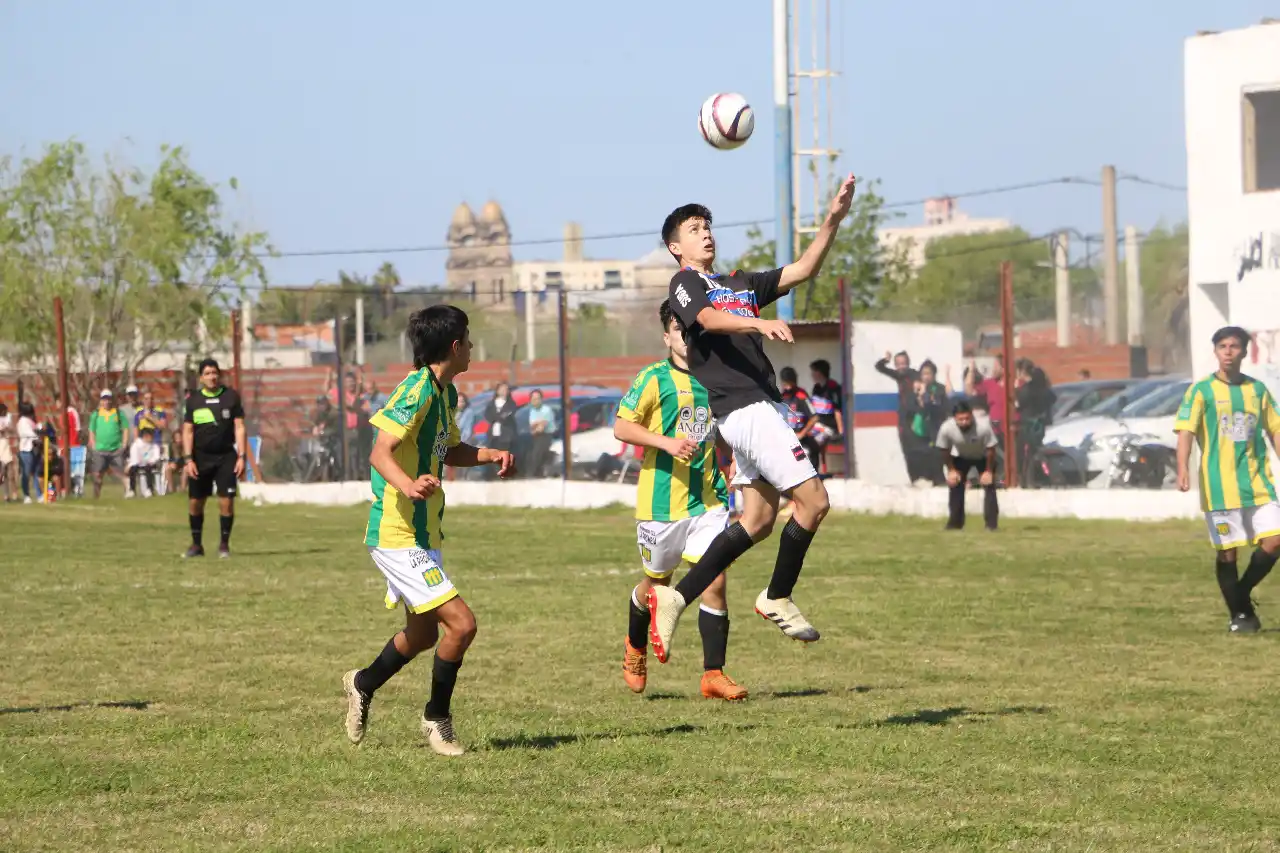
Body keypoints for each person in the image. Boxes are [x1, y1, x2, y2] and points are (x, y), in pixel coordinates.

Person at [648, 174, 857, 663]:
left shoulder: (739, 284)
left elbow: (803, 269)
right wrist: (758, 321)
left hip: (762, 407)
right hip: (744, 408)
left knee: (758, 520)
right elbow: (707, 320)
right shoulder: (685, 284)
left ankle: (676, 597)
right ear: (676, 247)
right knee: (814, 501)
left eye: (707, 226)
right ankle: (777, 595)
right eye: (694, 229)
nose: (706, 233)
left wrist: (832, 220)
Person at [342, 305, 516, 757]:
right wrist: (408, 484)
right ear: (455, 346)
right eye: (469, 340)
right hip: (397, 533)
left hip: (423, 535)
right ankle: (437, 719)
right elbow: (380, 451)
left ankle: (362, 683)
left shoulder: (445, 393)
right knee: (462, 624)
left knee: (421, 636)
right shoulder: (417, 389)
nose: (473, 347)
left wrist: (490, 454)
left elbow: (448, 450)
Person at [615, 300, 747, 701]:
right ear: (667, 337)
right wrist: (666, 442)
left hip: (708, 498)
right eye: (679, 330)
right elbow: (622, 427)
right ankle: (635, 646)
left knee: (715, 578)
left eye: (693, 329)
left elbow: (720, 428)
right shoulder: (653, 378)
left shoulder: (715, 378)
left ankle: (713, 674)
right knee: (656, 584)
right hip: (661, 503)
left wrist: (730, 460)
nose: (687, 337)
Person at [1175, 326, 1280, 634]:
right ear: (1216, 351)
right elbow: (1186, 431)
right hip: (1219, 486)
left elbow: (1275, 428)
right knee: (1228, 551)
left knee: (1275, 540)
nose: (1229, 351)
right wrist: (1182, 467)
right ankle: (1241, 615)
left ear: (1245, 351)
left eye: (1234, 346)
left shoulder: (1257, 390)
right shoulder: (1202, 391)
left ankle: (1240, 593)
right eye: (1223, 346)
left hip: (1257, 481)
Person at [182, 359, 246, 559]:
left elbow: (240, 427)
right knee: (195, 502)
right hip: (200, 458)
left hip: (226, 456)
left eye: (215, 373)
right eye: (208, 373)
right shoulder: (193, 400)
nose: (212, 377)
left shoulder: (231, 397)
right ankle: (196, 545)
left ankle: (224, 545)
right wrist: (188, 459)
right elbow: (187, 431)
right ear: (201, 378)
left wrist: (242, 456)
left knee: (226, 501)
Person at [936, 402, 999, 531]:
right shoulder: (946, 428)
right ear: (954, 418)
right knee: (955, 485)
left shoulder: (983, 426)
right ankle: (955, 524)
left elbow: (991, 448)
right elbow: (944, 449)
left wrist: (988, 471)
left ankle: (991, 525)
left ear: (972, 416)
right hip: (961, 456)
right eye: (960, 419)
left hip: (983, 457)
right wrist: (951, 470)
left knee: (989, 486)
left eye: (967, 418)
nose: (964, 422)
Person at [875, 350, 922, 480]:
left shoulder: (915, 375)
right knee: (906, 448)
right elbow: (879, 367)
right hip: (903, 418)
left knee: (918, 447)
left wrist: (920, 384)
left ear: (908, 363)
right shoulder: (899, 376)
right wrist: (886, 360)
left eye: (904, 363)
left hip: (916, 417)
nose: (901, 367)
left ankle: (922, 475)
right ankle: (914, 478)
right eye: (898, 364)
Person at [89, 390, 129, 499]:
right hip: (100, 449)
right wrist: (93, 443)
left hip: (116, 449)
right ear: (101, 401)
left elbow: (125, 427)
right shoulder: (96, 414)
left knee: (121, 472)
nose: (106, 402)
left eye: (108, 399)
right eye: (104, 399)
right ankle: (96, 496)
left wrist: (124, 443)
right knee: (98, 474)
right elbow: (92, 430)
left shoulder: (118, 413)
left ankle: (128, 493)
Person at [778, 367, 820, 471]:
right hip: (786, 439)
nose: (787, 387)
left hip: (801, 439)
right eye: (785, 383)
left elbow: (814, 417)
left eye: (789, 383)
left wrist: (802, 434)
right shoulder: (780, 397)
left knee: (805, 458)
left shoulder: (801, 396)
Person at [809, 359, 844, 474]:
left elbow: (838, 411)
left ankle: (817, 473)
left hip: (829, 427)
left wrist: (841, 432)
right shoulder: (816, 388)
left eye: (813, 372)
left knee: (813, 444)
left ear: (819, 373)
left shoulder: (833, 388)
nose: (811, 375)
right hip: (817, 425)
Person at [525, 390, 556, 478]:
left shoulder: (546, 410)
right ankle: (537, 473)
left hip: (546, 435)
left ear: (541, 399)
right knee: (531, 454)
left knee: (537, 453)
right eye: (534, 399)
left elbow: (541, 427)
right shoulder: (532, 410)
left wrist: (536, 427)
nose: (536, 401)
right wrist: (537, 424)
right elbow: (532, 424)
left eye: (538, 399)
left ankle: (531, 474)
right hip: (536, 435)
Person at [127, 426, 162, 498]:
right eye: (150, 436)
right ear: (145, 436)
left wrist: (151, 461)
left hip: (150, 464)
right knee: (132, 470)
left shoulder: (154, 446)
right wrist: (131, 465)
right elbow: (134, 457)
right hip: (139, 464)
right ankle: (132, 490)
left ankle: (149, 489)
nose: (152, 438)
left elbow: (156, 457)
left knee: (148, 468)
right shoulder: (136, 445)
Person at [17, 402, 40, 503]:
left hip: (34, 449)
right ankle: (26, 495)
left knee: (36, 473)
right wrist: (36, 436)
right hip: (26, 450)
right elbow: (30, 434)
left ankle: (39, 494)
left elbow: (36, 430)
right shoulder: (22, 421)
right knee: (26, 473)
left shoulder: (30, 420)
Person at [0, 402, 13, 503]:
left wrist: (7, 429)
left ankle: (7, 495)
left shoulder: (8, 418)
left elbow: (12, 430)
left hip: (5, 446)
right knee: (2, 472)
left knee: (6, 473)